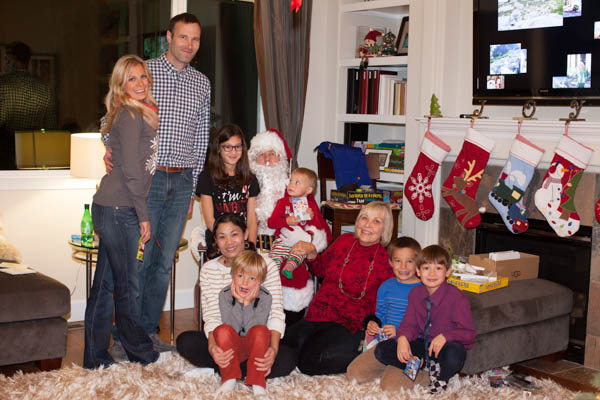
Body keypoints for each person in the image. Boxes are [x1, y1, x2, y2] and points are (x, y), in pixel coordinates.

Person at [104, 12, 211, 359]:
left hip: (181, 181)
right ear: (168, 36)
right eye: (183, 37)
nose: (189, 45)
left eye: (195, 39)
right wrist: (109, 147)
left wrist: (193, 189)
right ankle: (123, 338)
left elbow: (202, 138)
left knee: (163, 263)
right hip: (147, 180)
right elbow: (110, 116)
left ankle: (147, 333)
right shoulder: (144, 73)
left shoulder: (202, 83)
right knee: (139, 260)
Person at [83, 54, 159, 369]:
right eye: (131, 79)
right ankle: (142, 352)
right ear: (120, 85)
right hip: (119, 208)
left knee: (105, 286)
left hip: (113, 207)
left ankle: (95, 356)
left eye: (142, 76)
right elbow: (132, 172)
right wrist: (143, 215)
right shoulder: (129, 114)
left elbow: (110, 132)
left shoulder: (136, 112)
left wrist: (109, 143)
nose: (140, 83)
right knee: (128, 286)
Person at [176, 213, 296, 381]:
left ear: (245, 235)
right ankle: (242, 369)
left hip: (258, 339)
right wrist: (213, 348)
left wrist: (273, 350)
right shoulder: (209, 270)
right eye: (222, 237)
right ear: (216, 241)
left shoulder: (266, 265)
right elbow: (212, 316)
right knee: (186, 341)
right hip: (226, 340)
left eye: (234, 234)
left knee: (287, 358)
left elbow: (276, 313)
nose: (229, 242)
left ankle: (228, 370)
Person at [281, 201, 395, 376]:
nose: (367, 225)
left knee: (309, 362)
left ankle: (362, 352)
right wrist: (312, 254)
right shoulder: (344, 241)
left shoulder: (386, 261)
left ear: (385, 230)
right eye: (364, 218)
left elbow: (392, 301)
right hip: (318, 315)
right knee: (283, 346)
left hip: (348, 325)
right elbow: (319, 270)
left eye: (376, 221)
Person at [373, 245, 476, 394]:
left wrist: (446, 336)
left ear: (448, 271)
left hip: (444, 348)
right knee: (382, 350)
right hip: (423, 345)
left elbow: (469, 334)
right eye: (426, 268)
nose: (432, 273)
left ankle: (441, 376)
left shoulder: (457, 298)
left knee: (455, 355)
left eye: (438, 268)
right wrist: (402, 338)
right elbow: (409, 323)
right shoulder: (415, 293)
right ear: (418, 271)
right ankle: (423, 367)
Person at [346, 236, 422, 388]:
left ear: (417, 263)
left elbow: (426, 326)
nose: (403, 266)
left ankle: (424, 375)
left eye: (409, 261)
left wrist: (400, 332)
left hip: (411, 345)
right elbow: (380, 315)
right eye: (398, 261)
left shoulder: (423, 290)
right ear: (390, 262)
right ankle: (390, 365)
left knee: (390, 386)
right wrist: (374, 325)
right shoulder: (385, 287)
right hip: (386, 344)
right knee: (354, 373)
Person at [214, 250, 272, 397]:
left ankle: (257, 382)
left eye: (252, 278)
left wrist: (246, 304)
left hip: (255, 348)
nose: (245, 283)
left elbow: (255, 329)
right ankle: (229, 379)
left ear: (260, 281)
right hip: (232, 349)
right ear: (232, 275)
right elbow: (230, 327)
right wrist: (238, 302)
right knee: (221, 330)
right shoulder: (225, 295)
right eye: (240, 276)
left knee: (262, 331)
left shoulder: (265, 297)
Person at [196, 124, 259, 255]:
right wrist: (228, 241)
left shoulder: (251, 179)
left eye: (237, 147)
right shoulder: (206, 177)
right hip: (219, 241)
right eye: (228, 147)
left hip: (242, 240)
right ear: (219, 148)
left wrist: (251, 249)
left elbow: (252, 220)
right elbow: (209, 220)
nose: (233, 152)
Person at [0, 41, 57, 169]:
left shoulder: (3, 85)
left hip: (6, 149)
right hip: (34, 149)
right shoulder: (45, 88)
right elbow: (51, 126)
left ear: (12, 59)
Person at [267, 167, 330, 282]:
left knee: (301, 252)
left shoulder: (310, 207)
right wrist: (285, 221)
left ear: (308, 190)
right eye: (291, 180)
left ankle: (289, 268)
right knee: (275, 255)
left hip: (299, 243)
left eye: (297, 182)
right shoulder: (282, 203)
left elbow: (316, 229)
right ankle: (273, 273)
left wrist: (309, 229)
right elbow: (271, 223)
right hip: (282, 240)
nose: (291, 184)